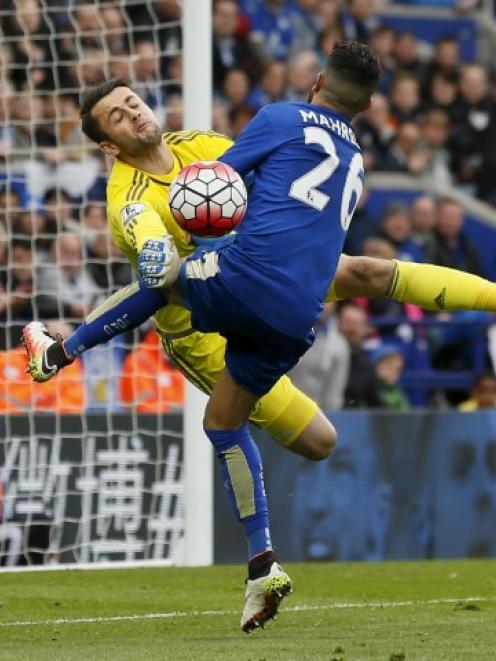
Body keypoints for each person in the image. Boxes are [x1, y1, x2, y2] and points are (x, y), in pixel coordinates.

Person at [23, 43, 496, 626]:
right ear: (107, 145)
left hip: (244, 277)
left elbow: (256, 177)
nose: (136, 114)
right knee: (197, 287)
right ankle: (62, 348)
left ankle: (59, 350)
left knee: (317, 405)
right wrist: (153, 245)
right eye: (119, 116)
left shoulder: (200, 142)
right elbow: (146, 229)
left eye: (134, 102)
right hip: (207, 330)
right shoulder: (126, 196)